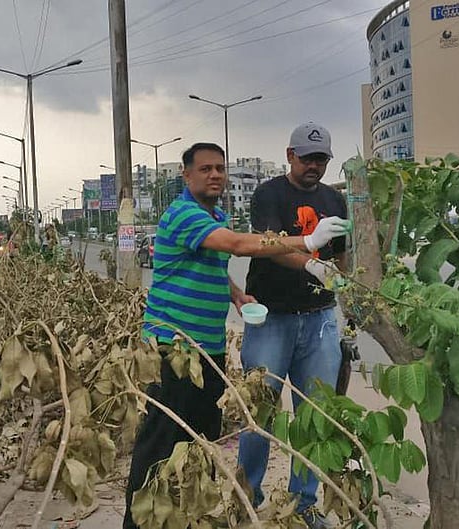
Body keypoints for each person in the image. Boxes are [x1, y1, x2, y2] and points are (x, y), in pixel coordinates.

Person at [123, 142, 349, 529]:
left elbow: (215, 262)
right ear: (187, 174)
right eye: (205, 168)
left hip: (206, 349)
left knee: (201, 440)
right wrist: (307, 245)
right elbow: (238, 245)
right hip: (172, 347)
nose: (215, 175)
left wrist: (237, 295)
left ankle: (188, 516)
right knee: (161, 440)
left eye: (220, 168)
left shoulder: (216, 214)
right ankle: (138, 522)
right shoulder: (183, 214)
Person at [237, 122, 349, 528]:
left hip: (319, 320)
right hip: (272, 318)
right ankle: (247, 496)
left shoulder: (335, 200)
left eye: (321, 159)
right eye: (307, 159)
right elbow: (267, 245)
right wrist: (311, 265)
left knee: (314, 415)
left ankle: (303, 504)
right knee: (259, 411)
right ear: (290, 156)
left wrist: (346, 300)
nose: (314, 166)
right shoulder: (269, 194)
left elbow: (342, 255)